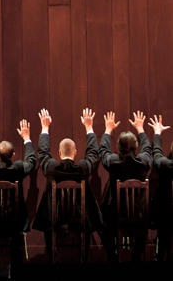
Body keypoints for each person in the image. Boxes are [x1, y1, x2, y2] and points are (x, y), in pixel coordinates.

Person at [32, 108, 103, 262]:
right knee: (87, 219)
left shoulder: (51, 170)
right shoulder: (83, 169)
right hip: (81, 221)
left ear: (59, 152)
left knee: (48, 221)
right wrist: (89, 128)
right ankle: (83, 258)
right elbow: (92, 154)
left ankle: (53, 259)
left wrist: (45, 128)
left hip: (54, 221)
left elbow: (43, 153)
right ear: (75, 152)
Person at [97, 111, 152, 261]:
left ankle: (113, 256)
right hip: (139, 218)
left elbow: (103, 151)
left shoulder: (113, 162)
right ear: (136, 146)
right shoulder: (143, 163)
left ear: (118, 147)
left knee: (100, 223)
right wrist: (140, 128)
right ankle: (136, 257)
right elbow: (148, 149)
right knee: (145, 221)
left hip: (114, 219)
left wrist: (108, 130)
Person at [0, 119, 35, 265]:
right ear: (14, 154)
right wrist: (27, 138)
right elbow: (31, 161)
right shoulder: (18, 168)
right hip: (15, 223)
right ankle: (16, 263)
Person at [148, 115, 173, 261]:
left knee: (164, 222)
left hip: (166, 218)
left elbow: (157, 154)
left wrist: (157, 132)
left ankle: (159, 256)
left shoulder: (165, 166)